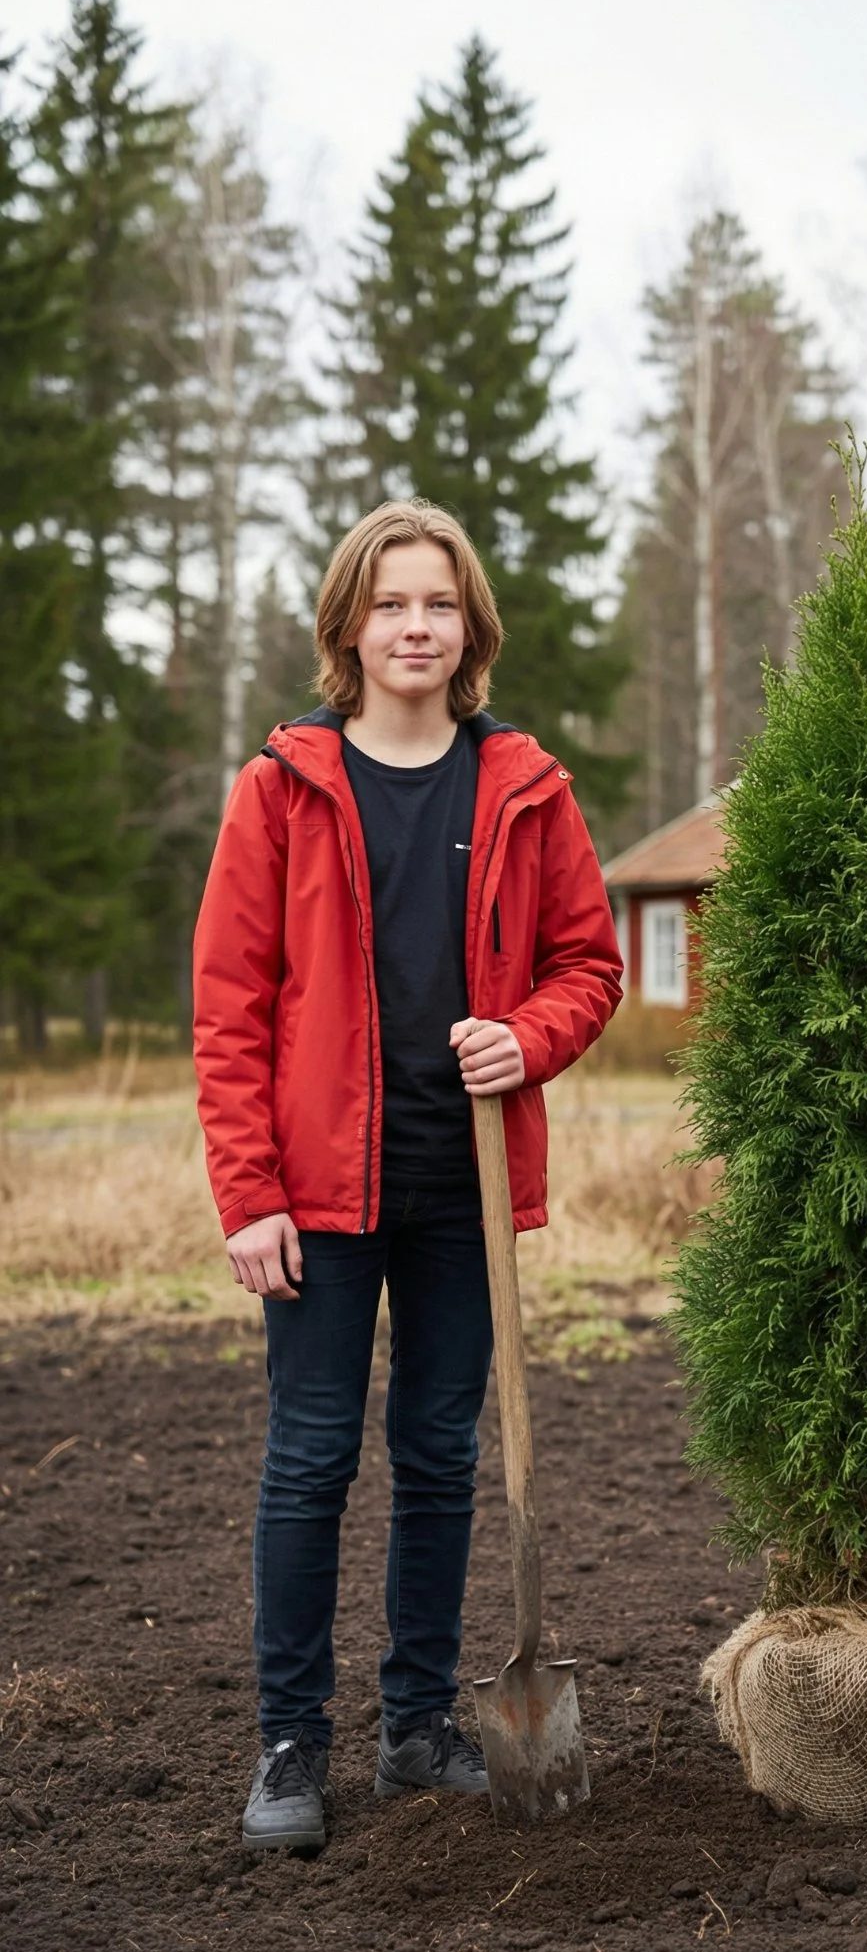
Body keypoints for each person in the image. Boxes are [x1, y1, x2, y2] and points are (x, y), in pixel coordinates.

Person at [192, 499, 622, 1851]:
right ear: (350, 627)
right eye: (391, 604)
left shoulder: (528, 790)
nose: (416, 627)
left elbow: (588, 968)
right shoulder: (282, 787)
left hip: (464, 1188)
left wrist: (530, 1035)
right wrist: (249, 1193)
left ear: (470, 626)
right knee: (309, 1460)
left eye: (438, 603)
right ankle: (288, 1747)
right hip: (318, 1193)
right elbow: (229, 1005)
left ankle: (421, 1726)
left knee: (442, 1458)